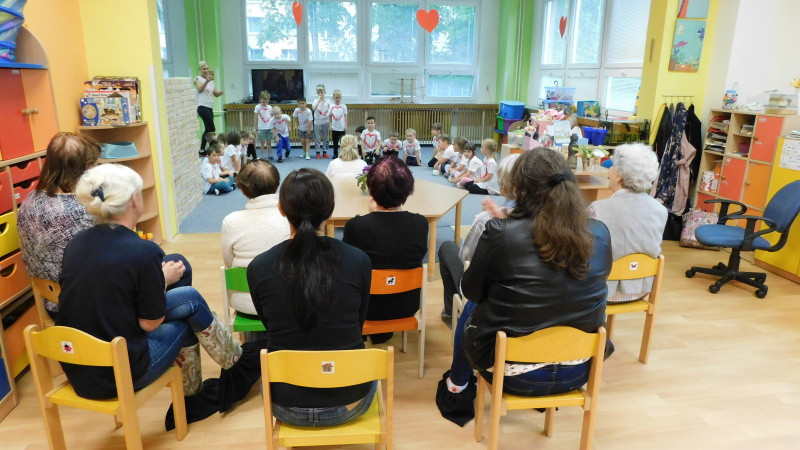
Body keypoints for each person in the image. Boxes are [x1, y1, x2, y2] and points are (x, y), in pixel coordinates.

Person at [437, 148, 612, 425]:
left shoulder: (501, 231)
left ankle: (457, 386)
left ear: (520, 188)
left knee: (473, 306)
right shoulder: (599, 232)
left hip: (514, 375)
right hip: (580, 369)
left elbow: (472, 291)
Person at [57, 163, 241, 401]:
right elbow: (149, 323)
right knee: (190, 310)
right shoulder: (143, 251)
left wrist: (158, 279)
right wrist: (160, 280)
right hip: (119, 374)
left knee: (180, 270)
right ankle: (223, 375)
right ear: (134, 199)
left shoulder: (77, 242)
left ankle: (228, 366)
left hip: (78, 367)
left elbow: (111, 290)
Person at [248, 168, 375, 427]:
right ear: (330, 210)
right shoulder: (359, 260)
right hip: (350, 401)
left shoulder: (259, 267)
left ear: (281, 209)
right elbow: (358, 323)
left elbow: (268, 326)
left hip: (283, 403)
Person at [18, 132, 192, 318]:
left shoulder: (29, 201)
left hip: (52, 300)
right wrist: (161, 279)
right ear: (86, 168)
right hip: (88, 304)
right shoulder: (84, 208)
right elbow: (116, 264)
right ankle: (153, 330)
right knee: (179, 268)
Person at [342, 157, 428, 344]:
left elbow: (348, 266)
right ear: (408, 190)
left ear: (372, 190)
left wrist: (373, 215)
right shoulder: (420, 224)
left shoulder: (357, 226)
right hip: (407, 305)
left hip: (366, 307)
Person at [438, 154, 519, 325]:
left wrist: (490, 217)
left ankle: (451, 312)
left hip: (490, 297)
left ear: (505, 184)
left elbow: (467, 258)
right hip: (530, 308)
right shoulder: (554, 222)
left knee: (447, 248)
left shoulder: (487, 220)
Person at [588, 143, 668, 303]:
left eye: (612, 166)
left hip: (603, 290)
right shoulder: (660, 210)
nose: (609, 170)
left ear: (619, 175)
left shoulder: (597, 209)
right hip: (641, 288)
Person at [221, 160, 290, 321]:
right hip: (285, 300)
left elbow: (229, 262)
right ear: (277, 185)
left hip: (244, 302)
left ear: (243, 190)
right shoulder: (290, 217)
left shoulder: (231, 221)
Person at [195, 61, 223, 156]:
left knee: (210, 129)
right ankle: (204, 148)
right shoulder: (198, 79)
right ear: (200, 69)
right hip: (202, 106)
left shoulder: (211, 82)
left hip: (209, 107)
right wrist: (206, 81)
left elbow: (215, 94)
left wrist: (219, 93)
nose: (206, 70)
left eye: (207, 69)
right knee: (211, 128)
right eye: (204, 69)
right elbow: (200, 89)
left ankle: (207, 149)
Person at [311, 84, 331, 159]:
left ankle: (325, 151)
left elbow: (330, 111)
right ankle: (318, 152)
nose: (320, 94)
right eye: (318, 92)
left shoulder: (328, 101)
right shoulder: (315, 101)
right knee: (317, 138)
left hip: (325, 122)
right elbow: (313, 108)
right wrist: (319, 101)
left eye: (321, 92)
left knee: (326, 137)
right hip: (317, 123)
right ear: (317, 93)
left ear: (325, 92)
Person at [253, 90, 273, 160]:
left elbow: (271, 117)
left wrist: (273, 126)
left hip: (269, 127)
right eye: (263, 102)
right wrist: (255, 127)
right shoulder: (257, 107)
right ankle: (263, 155)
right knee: (262, 142)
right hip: (261, 128)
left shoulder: (270, 107)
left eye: (266, 102)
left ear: (269, 100)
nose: (265, 103)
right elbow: (255, 118)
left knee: (269, 142)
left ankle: (270, 154)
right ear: (260, 99)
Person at [330, 89, 348, 159]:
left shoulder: (343, 106)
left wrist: (345, 125)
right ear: (333, 98)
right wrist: (330, 125)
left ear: (341, 98)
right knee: (335, 142)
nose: (338, 99)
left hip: (341, 127)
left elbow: (346, 116)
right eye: (336, 98)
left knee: (343, 142)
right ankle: (335, 154)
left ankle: (343, 154)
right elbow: (330, 116)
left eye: (339, 98)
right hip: (334, 127)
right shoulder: (331, 106)